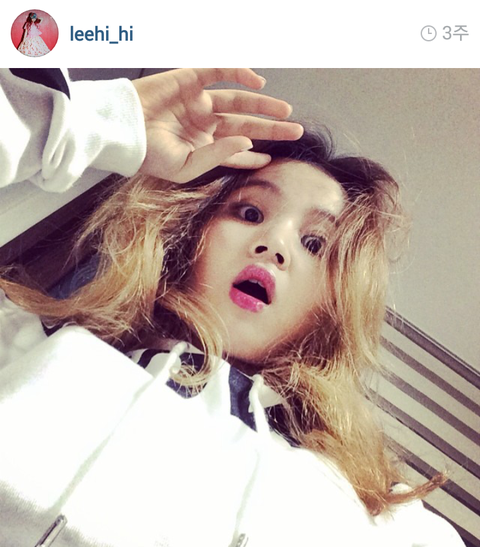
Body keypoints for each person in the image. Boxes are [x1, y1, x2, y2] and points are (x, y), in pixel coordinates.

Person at [0, 70, 465, 547]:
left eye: (314, 243)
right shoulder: (28, 344)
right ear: (190, 236)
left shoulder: (380, 514)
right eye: (250, 213)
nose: (274, 244)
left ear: (330, 308)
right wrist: (97, 120)